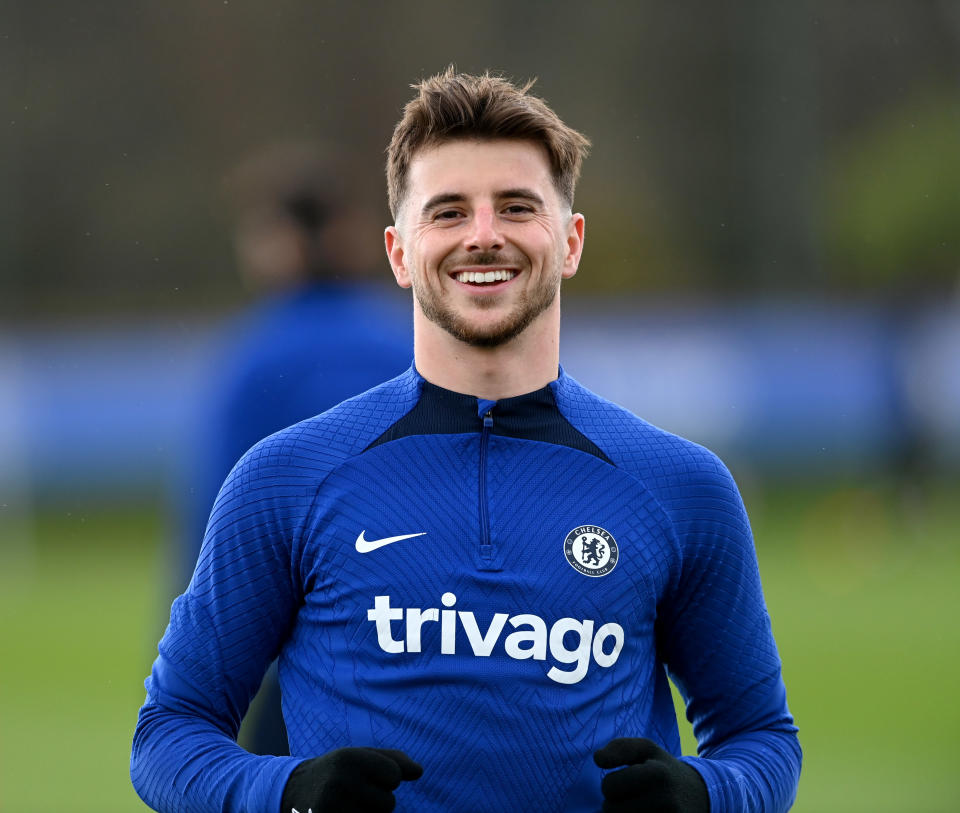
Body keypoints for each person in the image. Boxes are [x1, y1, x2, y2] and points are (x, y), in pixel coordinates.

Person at [133, 68, 801, 813]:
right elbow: (168, 733)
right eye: (448, 212)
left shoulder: (681, 486)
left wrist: (709, 792)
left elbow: (762, 736)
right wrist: (284, 788)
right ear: (396, 251)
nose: (484, 235)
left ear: (571, 240)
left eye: (517, 206)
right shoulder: (285, 479)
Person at [172, 142, 412, 755]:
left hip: (306, 659)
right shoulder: (412, 339)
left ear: (284, 242)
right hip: (428, 641)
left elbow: (215, 522)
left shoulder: (257, 358)